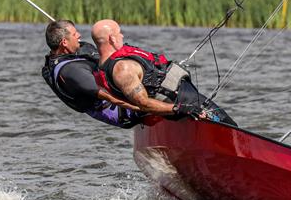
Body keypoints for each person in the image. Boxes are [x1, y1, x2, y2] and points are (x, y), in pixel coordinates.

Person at [91, 19, 234, 124]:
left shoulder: (104, 64)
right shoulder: (122, 69)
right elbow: (144, 103)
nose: (122, 36)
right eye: (119, 32)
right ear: (112, 38)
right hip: (184, 104)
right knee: (230, 126)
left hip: (183, 101)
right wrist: (181, 109)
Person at [42, 20, 141, 128]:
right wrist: (144, 107)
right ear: (64, 42)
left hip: (121, 89)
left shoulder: (67, 54)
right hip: (125, 112)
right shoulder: (71, 71)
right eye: (75, 34)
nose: (79, 35)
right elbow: (111, 98)